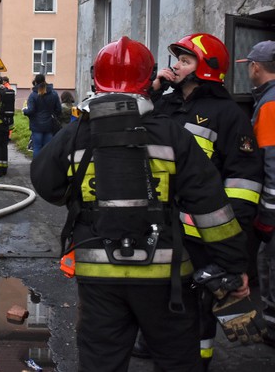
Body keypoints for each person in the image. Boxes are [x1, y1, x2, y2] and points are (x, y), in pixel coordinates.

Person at [30, 36, 250, 371]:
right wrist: (233, 264)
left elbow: (45, 182)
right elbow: (210, 207)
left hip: (98, 274)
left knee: (101, 362)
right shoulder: (172, 133)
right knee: (177, 361)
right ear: (148, 80)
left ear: (96, 79)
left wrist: (80, 196)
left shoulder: (77, 133)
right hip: (165, 276)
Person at [148, 33, 265, 366]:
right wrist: (152, 91)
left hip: (202, 237)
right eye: (177, 60)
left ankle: (198, 361)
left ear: (207, 69)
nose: (176, 66)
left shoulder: (228, 114)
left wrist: (231, 243)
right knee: (159, 300)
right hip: (161, 230)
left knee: (199, 308)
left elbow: (243, 184)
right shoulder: (165, 105)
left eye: (185, 61)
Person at [237, 40, 275, 346]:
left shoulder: (270, 104)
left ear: (255, 67)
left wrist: (266, 217)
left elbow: (273, 164)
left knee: (269, 264)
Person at [22, 73, 61, 158]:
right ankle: (46, 165)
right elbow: (58, 109)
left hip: (36, 126)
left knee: (37, 147)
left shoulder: (33, 95)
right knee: (47, 148)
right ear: (44, 80)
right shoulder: (53, 93)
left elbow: (31, 110)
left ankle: (37, 165)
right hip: (49, 125)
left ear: (35, 82)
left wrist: (24, 111)